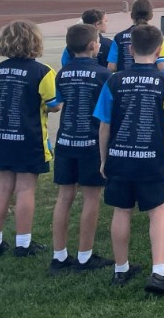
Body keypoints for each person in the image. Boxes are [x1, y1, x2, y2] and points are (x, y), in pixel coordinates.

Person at [93, 24, 164, 294]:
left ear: (130, 50)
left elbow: (104, 125)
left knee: (121, 210)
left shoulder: (114, 81)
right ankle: (159, 273)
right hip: (151, 159)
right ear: (159, 51)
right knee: (157, 211)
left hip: (119, 157)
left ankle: (121, 269)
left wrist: (103, 159)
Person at [0, 20, 59, 258]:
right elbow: (55, 105)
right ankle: (23, 244)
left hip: (3, 136)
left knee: (3, 187)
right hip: (30, 136)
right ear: (35, 42)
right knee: (25, 189)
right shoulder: (43, 71)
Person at [50, 23, 114, 273]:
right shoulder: (103, 75)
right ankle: (85, 256)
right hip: (90, 143)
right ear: (92, 45)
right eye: (97, 40)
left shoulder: (62, 73)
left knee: (64, 197)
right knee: (91, 198)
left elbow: (58, 102)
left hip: (66, 140)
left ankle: (59, 255)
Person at [108, 0, 164, 72]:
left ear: (131, 15)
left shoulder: (119, 37)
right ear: (151, 15)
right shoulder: (156, 35)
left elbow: (111, 67)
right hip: (150, 79)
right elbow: (161, 66)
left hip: (124, 79)